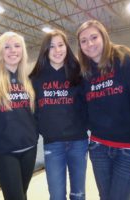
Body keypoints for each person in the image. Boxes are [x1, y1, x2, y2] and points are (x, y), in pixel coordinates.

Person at [76, 20, 130, 200]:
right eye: (83, 41)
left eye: (94, 37)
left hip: (128, 150)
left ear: (104, 37)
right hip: (98, 148)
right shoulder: (85, 73)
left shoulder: (125, 60)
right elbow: (82, 106)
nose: (89, 44)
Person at [0, 32, 38, 200]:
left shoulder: (27, 81)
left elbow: (35, 113)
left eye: (17, 46)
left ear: (23, 51)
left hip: (29, 148)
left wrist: (33, 135)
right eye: (7, 47)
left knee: (23, 194)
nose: (13, 50)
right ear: (0, 52)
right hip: (5, 152)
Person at [30, 29, 88, 200]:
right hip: (53, 145)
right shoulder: (35, 78)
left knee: (78, 194)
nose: (57, 50)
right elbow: (31, 111)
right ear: (45, 51)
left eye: (60, 45)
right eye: (51, 47)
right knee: (56, 195)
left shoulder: (78, 72)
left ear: (66, 47)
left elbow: (89, 104)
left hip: (78, 142)